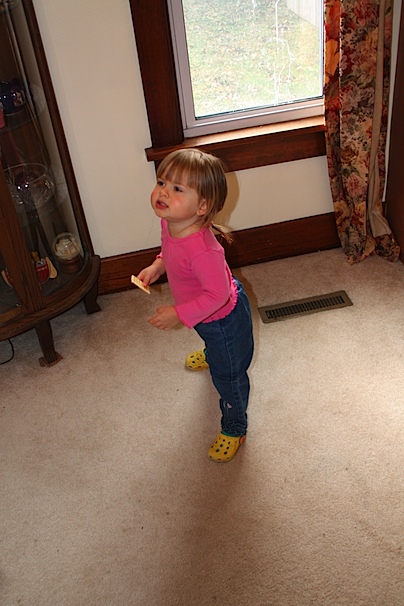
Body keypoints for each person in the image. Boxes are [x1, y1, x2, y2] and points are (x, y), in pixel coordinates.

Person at [137, 148, 254, 462]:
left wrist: (178, 313)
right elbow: (169, 252)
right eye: (162, 182)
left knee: (228, 377)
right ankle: (212, 352)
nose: (163, 192)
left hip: (223, 321)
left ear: (202, 206)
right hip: (202, 315)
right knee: (209, 339)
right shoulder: (171, 222)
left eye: (177, 188)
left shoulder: (203, 251)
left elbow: (218, 296)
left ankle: (235, 427)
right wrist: (157, 266)